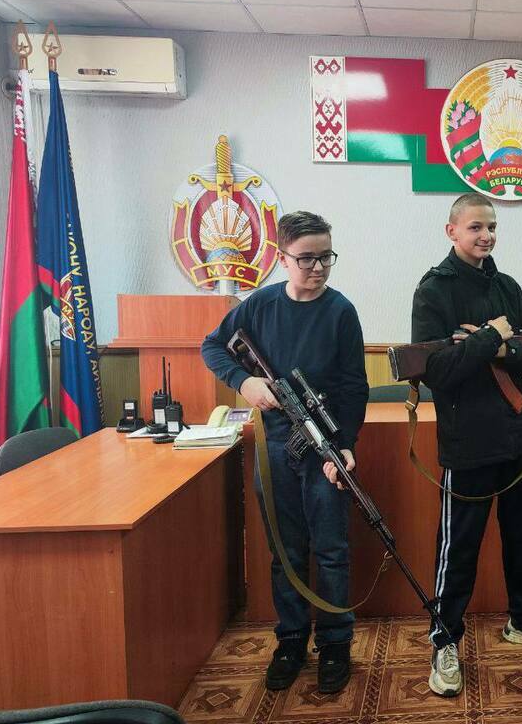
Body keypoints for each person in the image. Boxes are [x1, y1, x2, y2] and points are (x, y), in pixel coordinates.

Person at [411, 192, 522, 698]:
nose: (486, 236)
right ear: (452, 231)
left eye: (492, 227)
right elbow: (438, 372)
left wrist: (491, 344)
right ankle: (445, 639)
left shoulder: (507, 286)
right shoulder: (433, 291)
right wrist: (492, 341)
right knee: (458, 548)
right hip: (468, 444)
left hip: (516, 436)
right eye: (476, 227)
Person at [201, 211, 369, 694]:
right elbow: (213, 346)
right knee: (286, 551)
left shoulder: (340, 311)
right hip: (275, 447)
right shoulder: (259, 305)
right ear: (282, 258)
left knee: (331, 550)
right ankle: (291, 640)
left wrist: (344, 444)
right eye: (307, 258)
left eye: (326, 257)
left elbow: (354, 385)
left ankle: (335, 643)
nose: (318, 267)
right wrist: (245, 381)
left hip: (323, 449)